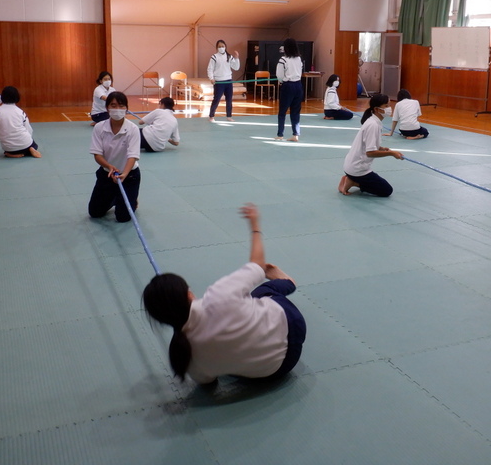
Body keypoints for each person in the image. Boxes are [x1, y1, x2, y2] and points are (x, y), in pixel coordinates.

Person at [142, 203, 306, 384]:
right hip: (293, 329)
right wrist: (255, 225)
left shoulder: (183, 354)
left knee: (228, 358)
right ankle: (287, 282)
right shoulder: (220, 295)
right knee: (262, 292)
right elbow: (258, 265)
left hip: (273, 371)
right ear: (189, 295)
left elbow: (207, 382)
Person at [88, 91, 141, 222]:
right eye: (113, 105)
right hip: (107, 174)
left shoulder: (133, 129)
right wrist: (109, 166)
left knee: (123, 217)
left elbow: (133, 156)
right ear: (107, 108)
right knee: (95, 212)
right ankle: (115, 196)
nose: (117, 109)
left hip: (129, 175)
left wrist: (124, 174)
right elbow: (97, 154)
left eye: (121, 106)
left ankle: (131, 199)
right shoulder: (99, 128)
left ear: (126, 109)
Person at [339, 94, 404, 197]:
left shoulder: (374, 121)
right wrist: (391, 153)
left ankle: (351, 178)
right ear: (377, 109)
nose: (389, 108)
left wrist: (381, 149)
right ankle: (353, 182)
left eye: (389, 105)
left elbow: (367, 144)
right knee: (386, 190)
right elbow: (370, 153)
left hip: (351, 166)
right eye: (386, 106)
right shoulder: (373, 125)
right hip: (357, 169)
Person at [0, 86, 41, 158]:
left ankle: (13, 154)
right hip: (26, 143)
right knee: (34, 145)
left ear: (2, 97)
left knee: (7, 151)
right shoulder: (20, 112)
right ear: (17, 97)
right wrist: (28, 140)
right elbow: (29, 129)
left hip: (10, 148)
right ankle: (28, 150)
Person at [274, 38, 304, 141]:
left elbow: (279, 75)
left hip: (288, 86)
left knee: (282, 111)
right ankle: (296, 134)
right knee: (295, 111)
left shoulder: (283, 60)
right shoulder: (299, 59)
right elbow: (300, 71)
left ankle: (280, 134)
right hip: (298, 85)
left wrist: (282, 81)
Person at [207, 39, 240, 122]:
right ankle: (211, 116)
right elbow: (210, 69)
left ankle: (229, 116)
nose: (221, 48)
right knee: (216, 99)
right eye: (219, 46)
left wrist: (236, 58)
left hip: (228, 81)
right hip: (219, 82)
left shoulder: (229, 57)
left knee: (229, 99)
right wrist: (211, 78)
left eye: (223, 46)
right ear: (217, 48)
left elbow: (236, 67)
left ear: (225, 47)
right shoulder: (214, 57)